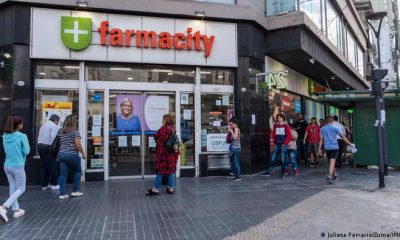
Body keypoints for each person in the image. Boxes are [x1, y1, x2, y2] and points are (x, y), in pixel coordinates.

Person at [0, 116, 30, 222]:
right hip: (18, 165)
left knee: (13, 187)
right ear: (18, 125)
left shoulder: (5, 136)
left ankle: (16, 210)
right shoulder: (22, 136)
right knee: (21, 188)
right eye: (21, 123)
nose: (23, 125)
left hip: (7, 165)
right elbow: (27, 151)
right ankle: (4, 207)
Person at [146, 114, 180, 196]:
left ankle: (156, 189)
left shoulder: (163, 129)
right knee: (170, 171)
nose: (162, 121)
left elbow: (156, 137)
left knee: (160, 171)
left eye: (163, 119)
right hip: (171, 154)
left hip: (163, 154)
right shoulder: (172, 129)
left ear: (166, 120)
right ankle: (171, 188)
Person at [57, 115, 86, 199]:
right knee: (77, 171)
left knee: (63, 174)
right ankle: (74, 191)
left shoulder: (60, 131)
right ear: (74, 122)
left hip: (61, 154)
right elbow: (78, 144)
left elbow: (58, 142)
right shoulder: (75, 131)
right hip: (72, 154)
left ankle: (62, 194)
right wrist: (83, 153)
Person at [319, 116, 352, 184]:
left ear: (326, 121)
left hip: (327, 147)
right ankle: (329, 176)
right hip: (334, 147)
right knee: (332, 162)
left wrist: (319, 149)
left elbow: (321, 140)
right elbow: (343, 137)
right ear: (332, 121)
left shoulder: (322, 129)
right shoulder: (335, 128)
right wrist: (349, 143)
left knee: (331, 162)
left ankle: (335, 175)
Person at [37, 114, 60, 191]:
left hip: (40, 146)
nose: (58, 123)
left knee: (44, 166)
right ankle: (55, 184)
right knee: (52, 166)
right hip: (48, 147)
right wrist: (57, 150)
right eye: (58, 121)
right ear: (55, 120)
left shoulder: (43, 126)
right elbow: (54, 138)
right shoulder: (54, 126)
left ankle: (44, 184)